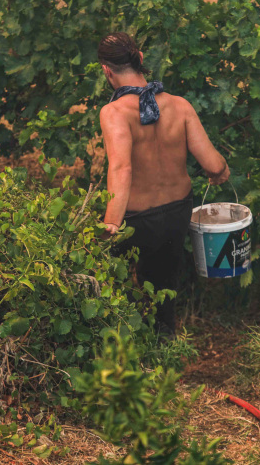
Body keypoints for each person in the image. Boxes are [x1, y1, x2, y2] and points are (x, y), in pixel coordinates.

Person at [97, 32, 229, 334]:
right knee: (163, 287)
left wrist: (111, 225)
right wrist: (220, 173)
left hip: (136, 220)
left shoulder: (114, 113)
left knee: (122, 288)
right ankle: (165, 346)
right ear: (140, 59)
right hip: (176, 213)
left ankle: (131, 350)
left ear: (107, 70)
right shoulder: (179, 106)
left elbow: (121, 167)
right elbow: (213, 164)